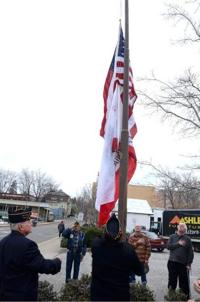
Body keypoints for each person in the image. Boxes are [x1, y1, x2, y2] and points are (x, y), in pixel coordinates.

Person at [0, 206, 61, 301]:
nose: (31, 223)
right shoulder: (28, 245)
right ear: (21, 227)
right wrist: (57, 262)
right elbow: (42, 266)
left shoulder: (3, 242)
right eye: (28, 221)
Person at [90, 214, 144, 301]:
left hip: (98, 297)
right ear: (120, 233)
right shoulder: (128, 250)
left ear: (105, 232)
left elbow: (100, 239)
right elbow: (140, 271)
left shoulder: (96, 245)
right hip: (120, 297)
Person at [167, 222, 194, 299]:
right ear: (178, 228)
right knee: (172, 281)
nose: (182, 230)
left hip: (183, 264)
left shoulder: (187, 239)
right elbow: (168, 246)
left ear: (185, 230)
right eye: (181, 228)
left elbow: (190, 253)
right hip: (172, 262)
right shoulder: (172, 237)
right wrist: (178, 244)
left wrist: (189, 264)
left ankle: (184, 298)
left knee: (184, 283)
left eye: (184, 229)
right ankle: (171, 297)